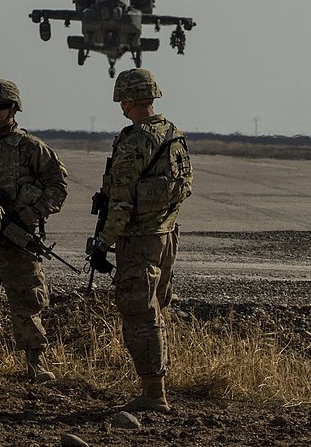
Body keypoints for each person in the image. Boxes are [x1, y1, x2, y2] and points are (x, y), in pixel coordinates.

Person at [88, 67, 192, 412]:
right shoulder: (173, 133)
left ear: (125, 100)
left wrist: (103, 242)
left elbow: (121, 200)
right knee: (155, 309)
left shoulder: (135, 139)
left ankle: (153, 394)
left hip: (140, 240)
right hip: (166, 234)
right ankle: (156, 386)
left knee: (139, 312)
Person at [0, 78, 68, 383]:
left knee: (28, 300)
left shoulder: (31, 147)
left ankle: (35, 362)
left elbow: (57, 185)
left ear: (14, 109)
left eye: (3, 106)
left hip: (17, 239)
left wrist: (31, 213)